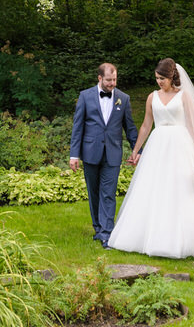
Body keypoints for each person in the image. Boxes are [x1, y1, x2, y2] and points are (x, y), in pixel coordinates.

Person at [107, 57, 194, 258]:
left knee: (181, 187)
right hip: (157, 145)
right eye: (157, 78)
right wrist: (136, 150)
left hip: (180, 145)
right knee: (154, 187)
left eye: (163, 78)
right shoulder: (152, 97)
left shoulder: (183, 96)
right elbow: (146, 125)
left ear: (172, 77)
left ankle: (185, 232)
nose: (159, 82)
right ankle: (150, 232)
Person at [70, 62, 138, 248]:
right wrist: (74, 155)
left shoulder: (123, 99)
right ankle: (98, 228)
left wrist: (137, 149)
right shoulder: (85, 96)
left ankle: (107, 234)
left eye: (114, 79)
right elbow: (78, 127)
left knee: (108, 193)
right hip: (90, 152)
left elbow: (130, 127)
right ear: (99, 78)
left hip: (113, 153)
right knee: (93, 192)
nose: (112, 83)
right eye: (109, 80)